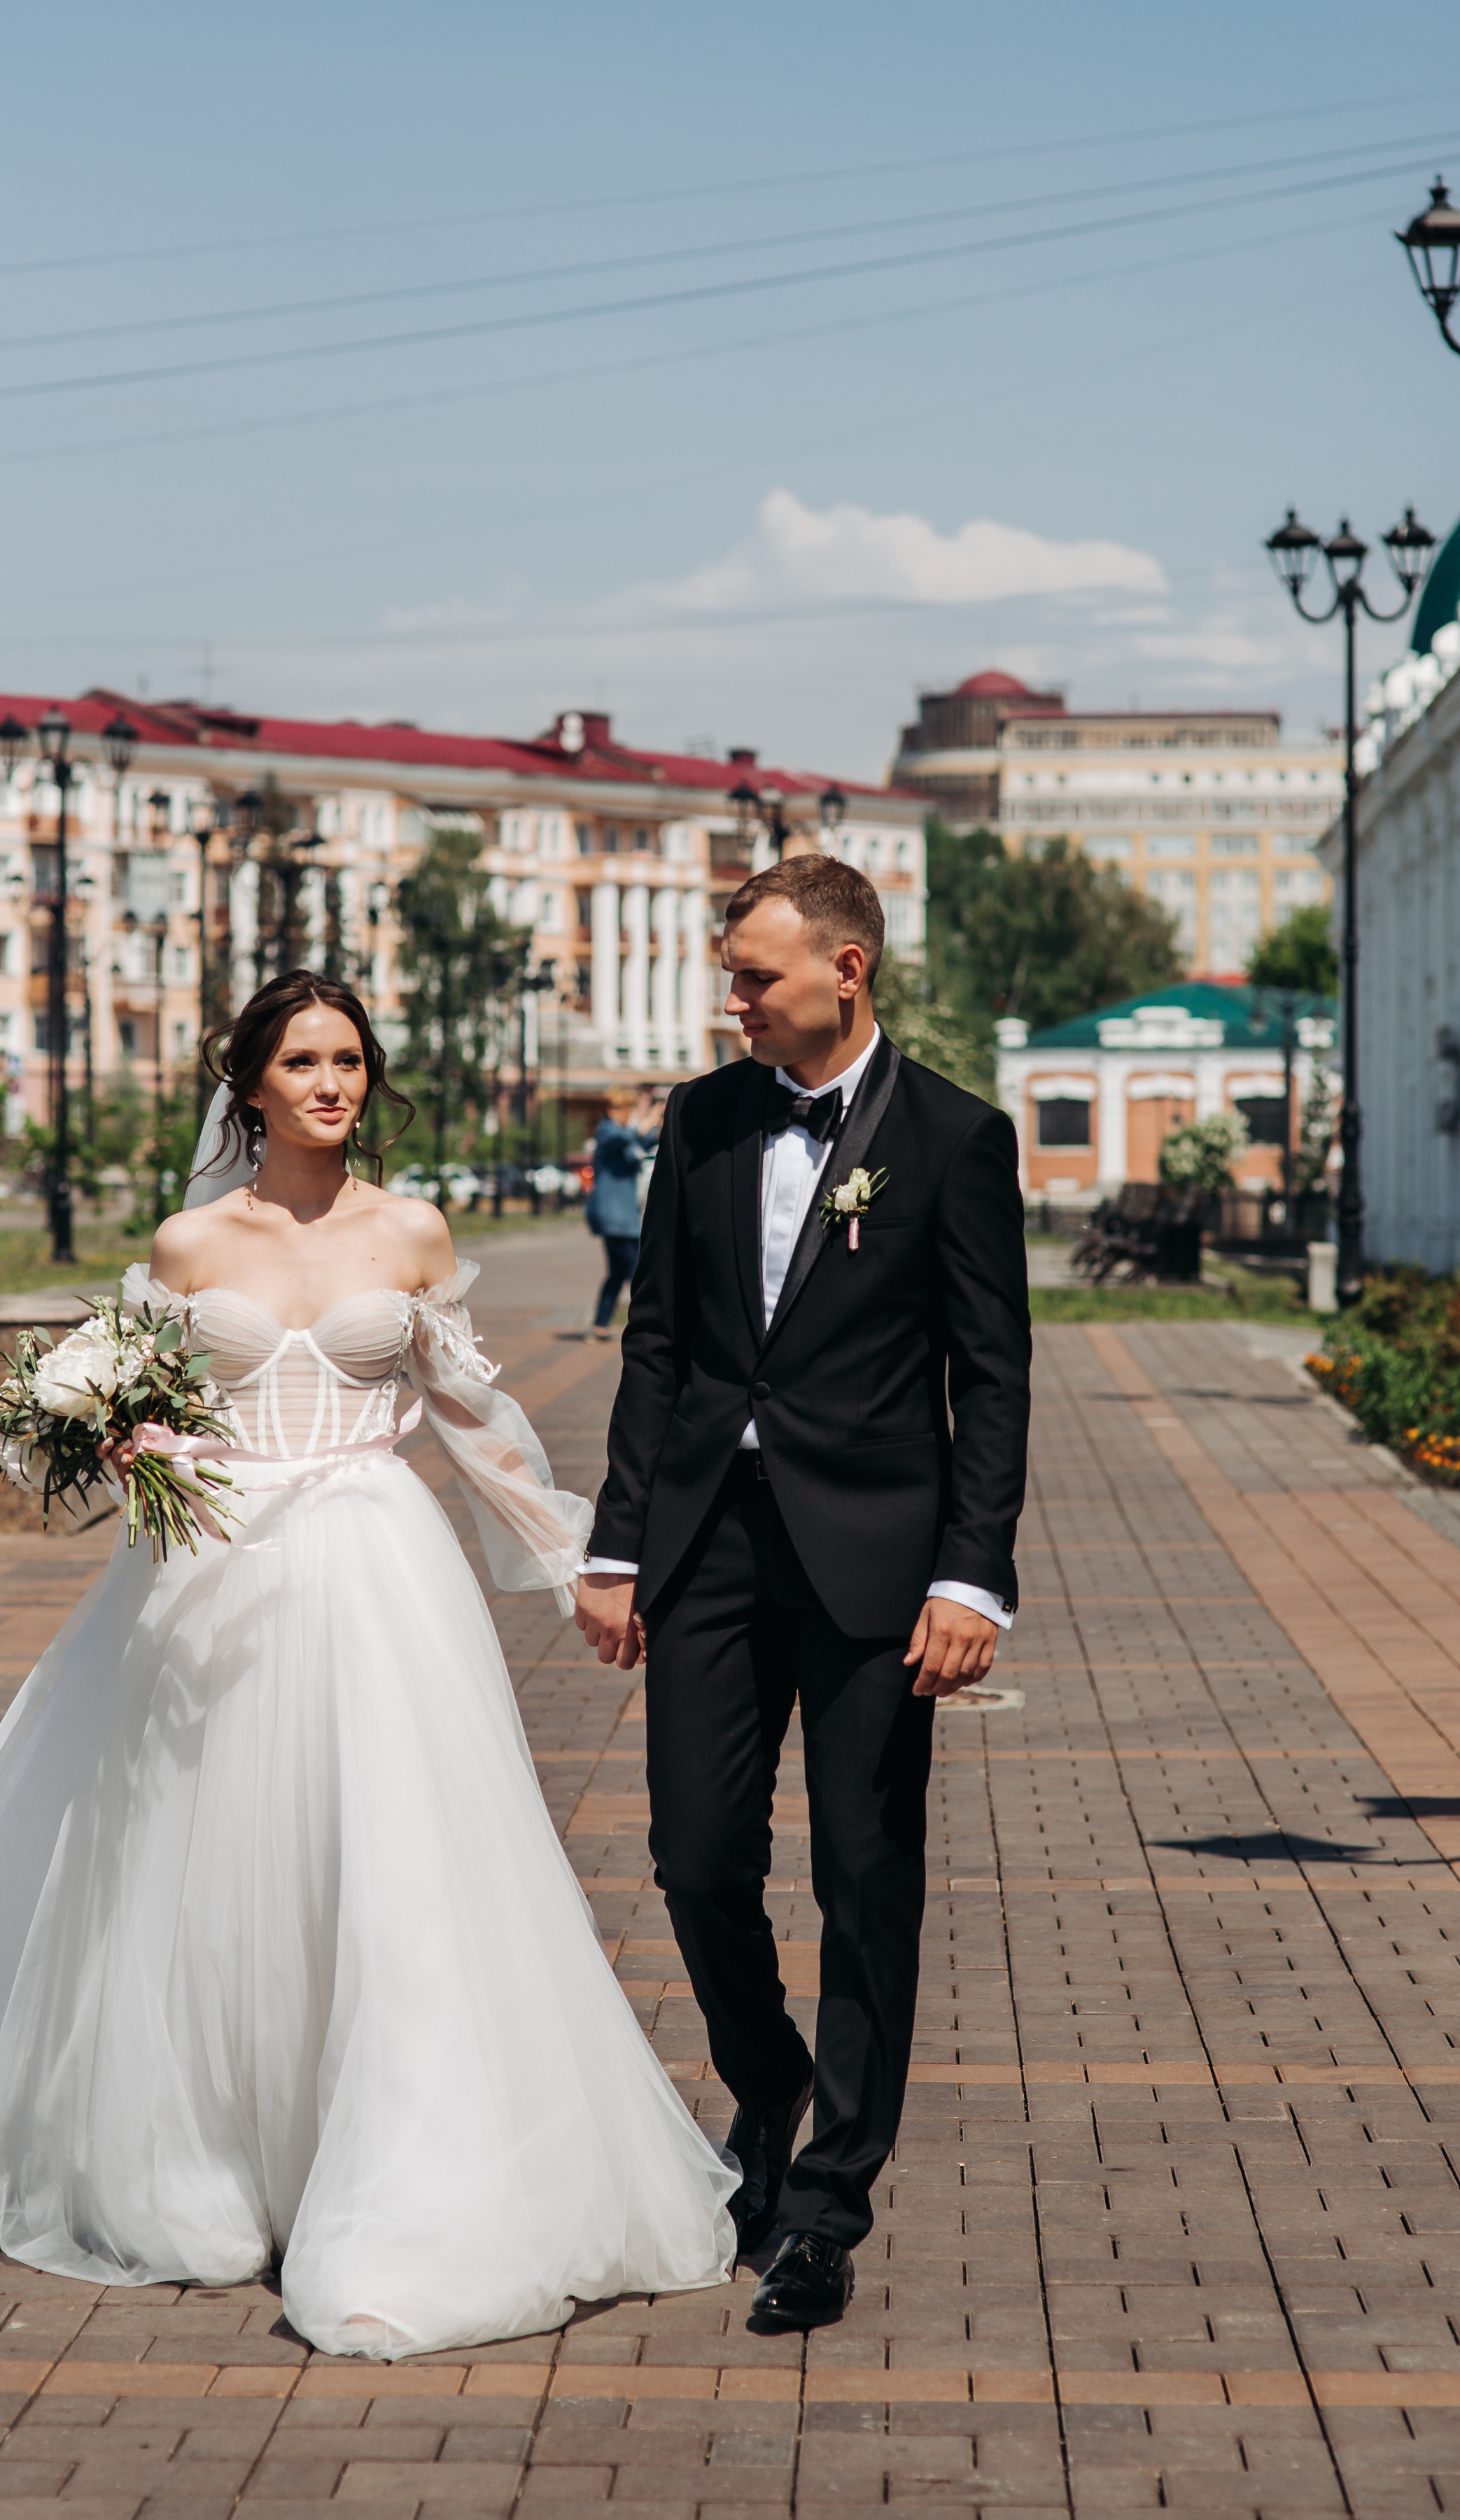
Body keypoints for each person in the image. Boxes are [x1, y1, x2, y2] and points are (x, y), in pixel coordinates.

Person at [0, 969, 738, 2361]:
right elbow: (86, 1405)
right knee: (196, 1870)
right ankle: (198, 2173)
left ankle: (399, 2184)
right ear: (249, 1080)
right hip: (210, 1583)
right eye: (304, 1060)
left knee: (389, 1867)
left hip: (380, 1567)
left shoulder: (414, 1228)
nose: (333, 1082)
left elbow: (475, 1419)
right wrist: (121, 1438)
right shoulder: (192, 1243)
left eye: (351, 1060)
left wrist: (580, 1565)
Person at [575, 857, 1031, 2333]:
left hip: (877, 1562)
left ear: (847, 970)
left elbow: (994, 1374)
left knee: (862, 1875)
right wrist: (617, 1544)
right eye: (730, 973)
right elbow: (660, 1347)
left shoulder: (957, 1139)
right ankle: (770, 2090)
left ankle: (829, 2202)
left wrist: (973, 1573)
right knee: (696, 1858)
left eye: (756, 977)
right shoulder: (704, 1117)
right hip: (709, 1544)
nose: (734, 1000)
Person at [584, 1086, 659, 1338]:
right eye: (625, 1108)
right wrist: (644, 1124)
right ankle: (649, 1325)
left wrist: (662, 1123)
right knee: (638, 1271)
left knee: (617, 1273)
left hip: (624, 1216)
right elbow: (624, 1139)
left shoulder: (624, 1135)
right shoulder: (607, 1132)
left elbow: (644, 1142)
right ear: (612, 1110)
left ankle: (600, 1324)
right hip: (614, 1216)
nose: (628, 1114)